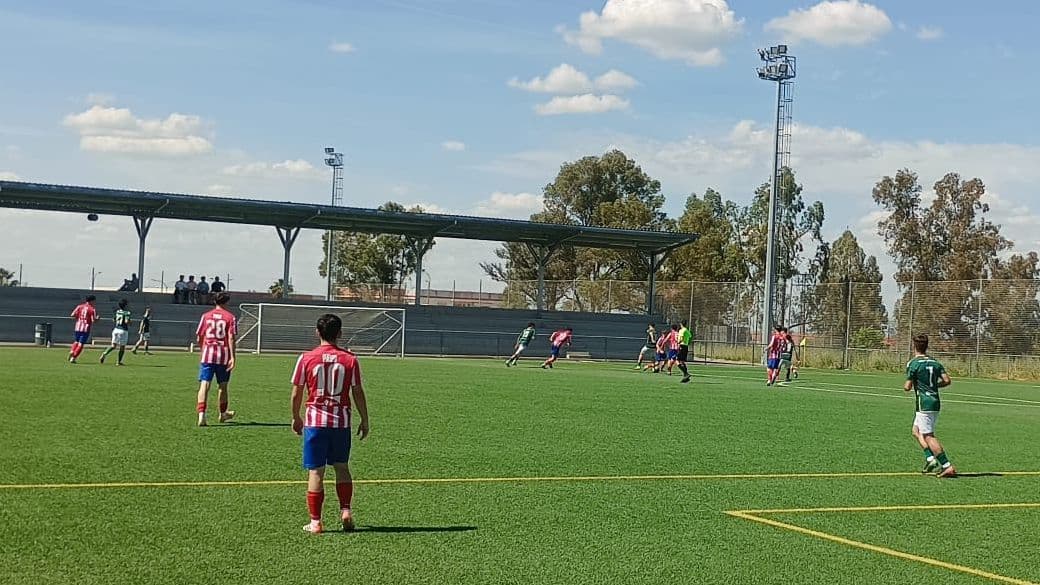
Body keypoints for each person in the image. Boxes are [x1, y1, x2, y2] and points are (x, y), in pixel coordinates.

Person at [291, 314, 370, 534]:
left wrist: (296, 416)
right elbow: (357, 392)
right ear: (340, 334)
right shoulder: (350, 360)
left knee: (316, 472)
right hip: (340, 422)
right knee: (342, 467)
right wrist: (365, 418)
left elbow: (297, 391)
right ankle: (345, 510)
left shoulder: (306, 358)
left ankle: (315, 522)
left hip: (315, 422)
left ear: (317, 332)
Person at [904, 334, 956, 478]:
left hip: (924, 404)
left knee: (928, 436)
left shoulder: (913, 363)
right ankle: (930, 459)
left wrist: (918, 385)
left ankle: (947, 466)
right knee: (915, 431)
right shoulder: (935, 363)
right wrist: (933, 386)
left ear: (914, 346)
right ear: (926, 346)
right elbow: (947, 380)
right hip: (935, 401)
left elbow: (907, 387)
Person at [195, 292, 237, 427]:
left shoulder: (205, 316)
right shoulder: (230, 317)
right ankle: (222, 413)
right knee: (222, 386)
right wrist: (232, 357)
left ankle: (201, 414)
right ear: (226, 302)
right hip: (223, 355)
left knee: (204, 384)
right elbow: (231, 338)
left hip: (208, 354)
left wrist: (203, 349)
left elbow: (199, 336)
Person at [99, 299, 132, 366]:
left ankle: (104, 353)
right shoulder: (127, 312)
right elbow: (126, 322)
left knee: (113, 346)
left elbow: (114, 319)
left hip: (116, 330)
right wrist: (130, 322)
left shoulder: (117, 311)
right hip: (123, 330)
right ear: (125, 305)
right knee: (122, 347)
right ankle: (118, 362)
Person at [68, 294, 99, 364]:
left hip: (78, 326)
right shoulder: (92, 309)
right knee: (81, 344)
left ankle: (72, 351)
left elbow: (72, 315)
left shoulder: (80, 306)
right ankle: (73, 358)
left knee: (76, 341)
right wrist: (97, 319)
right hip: (85, 328)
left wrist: (78, 318)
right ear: (92, 301)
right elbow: (93, 320)